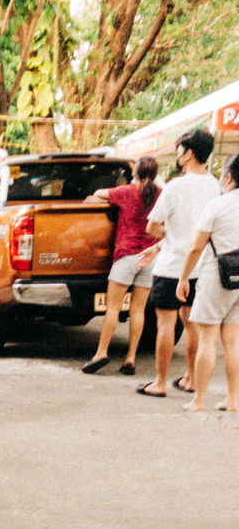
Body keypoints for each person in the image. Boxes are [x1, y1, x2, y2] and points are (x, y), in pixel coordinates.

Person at [136, 129, 221, 398]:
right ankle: (191, 378)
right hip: (200, 266)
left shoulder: (174, 186)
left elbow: (152, 226)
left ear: (189, 153)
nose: (177, 154)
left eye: (180, 150)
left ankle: (160, 382)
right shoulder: (216, 186)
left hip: (172, 267)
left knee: (165, 324)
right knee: (191, 322)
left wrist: (166, 238)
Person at [80, 157, 161, 375]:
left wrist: (92, 197)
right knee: (138, 310)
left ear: (135, 172)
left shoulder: (127, 192)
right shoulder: (160, 194)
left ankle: (101, 353)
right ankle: (130, 358)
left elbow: (99, 194)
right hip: (149, 259)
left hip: (126, 256)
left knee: (113, 308)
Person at [176, 152, 239, 413]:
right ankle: (233, 399)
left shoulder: (218, 205)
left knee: (208, 339)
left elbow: (195, 248)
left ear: (228, 178)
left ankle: (199, 399)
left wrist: (183, 278)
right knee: (233, 342)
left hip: (217, 277)